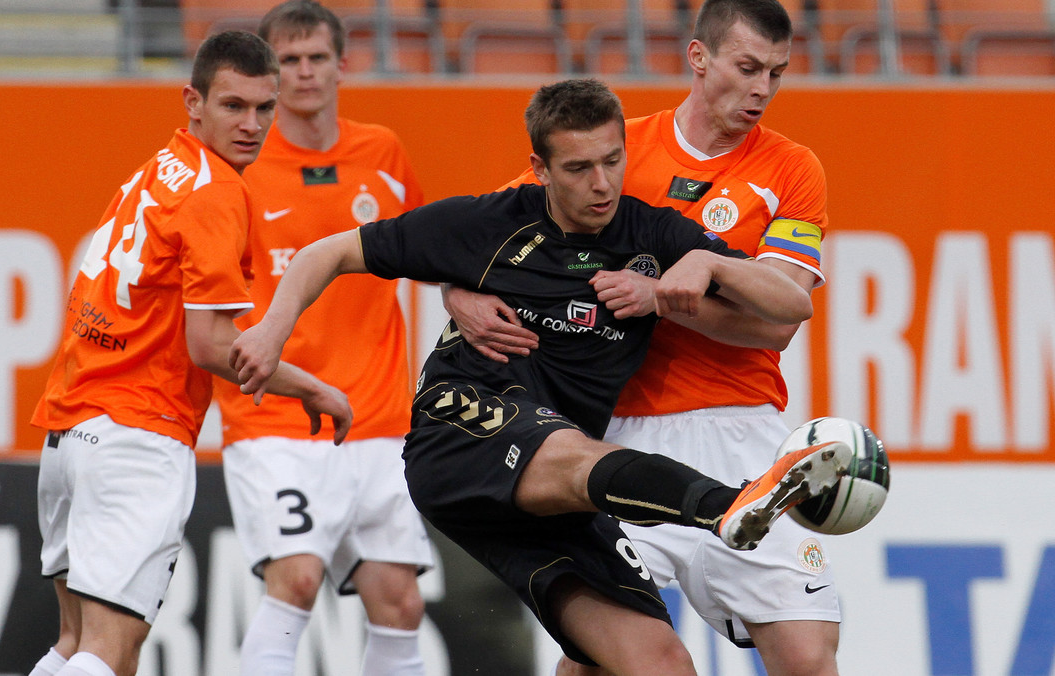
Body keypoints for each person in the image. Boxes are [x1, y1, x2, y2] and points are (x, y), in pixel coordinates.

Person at [230, 78, 851, 676]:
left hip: (542, 497)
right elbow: (327, 252)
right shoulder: (491, 223)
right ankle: (735, 506)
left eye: (612, 161)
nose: (601, 183)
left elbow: (791, 304)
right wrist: (271, 330)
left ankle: (728, 509)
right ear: (541, 168)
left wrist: (702, 263)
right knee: (576, 454)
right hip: (465, 429)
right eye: (579, 169)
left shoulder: (654, 234)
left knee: (658, 663)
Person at [441, 1, 838, 674]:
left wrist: (698, 272)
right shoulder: (614, 151)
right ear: (698, 57)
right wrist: (463, 297)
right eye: (747, 68)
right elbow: (473, 242)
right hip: (613, 432)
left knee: (807, 656)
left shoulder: (791, 169)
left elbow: (785, 309)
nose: (762, 89)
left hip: (738, 432)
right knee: (598, 655)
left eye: (777, 72)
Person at [27, 31, 352, 676]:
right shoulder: (218, 195)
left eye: (265, 108)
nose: (252, 124)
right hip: (137, 436)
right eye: (234, 106)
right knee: (108, 655)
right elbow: (213, 346)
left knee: (71, 644)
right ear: (193, 101)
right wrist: (312, 388)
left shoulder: (162, 166)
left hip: (70, 429)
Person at [211, 3, 434, 675]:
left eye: (316, 57)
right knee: (298, 580)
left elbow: (432, 250)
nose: (304, 73)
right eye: (289, 61)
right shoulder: (240, 168)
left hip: (376, 420)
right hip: (276, 417)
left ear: (343, 63)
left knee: (400, 603)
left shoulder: (384, 154)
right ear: (268, 74)